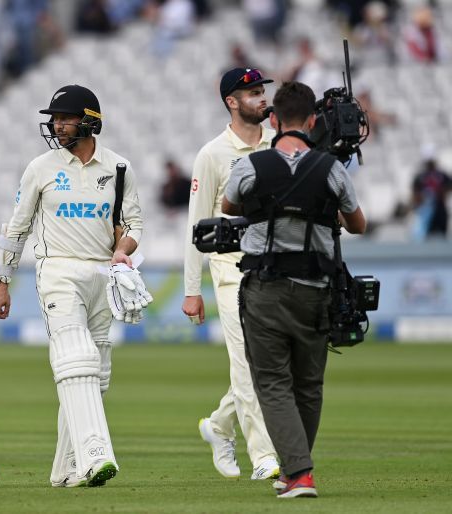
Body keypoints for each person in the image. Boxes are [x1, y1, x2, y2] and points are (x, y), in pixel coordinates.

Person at [0, 84, 150, 488]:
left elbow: (133, 224)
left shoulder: (118, 168)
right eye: (55, 119)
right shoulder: (40, 168)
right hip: (57, 271)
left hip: (103, 274)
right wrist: (3, 281)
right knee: (76, 359)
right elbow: (17, 229)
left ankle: (65, 469)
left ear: (90, 121)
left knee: (97, 374)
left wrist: (123, 251)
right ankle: (96, 455)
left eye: (65, 118)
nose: (57, 125)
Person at [222, 80, 366, 498]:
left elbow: (229, 207)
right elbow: (358, 224)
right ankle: (293, 470)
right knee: (308, 384)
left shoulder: (251, 166)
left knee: (272, 382)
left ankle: (299, 473)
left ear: (273, 118)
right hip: (316, 289)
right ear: (314, 120)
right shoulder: (331, 169)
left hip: (265, 288)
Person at [182, 67, 279, 480]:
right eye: (252, 92)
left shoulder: (283, 144)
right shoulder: (213, 154)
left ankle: (220, 426)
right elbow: (197, 224)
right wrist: (191, 290)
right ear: (231, 102)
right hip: (230, 268)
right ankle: (265, 458)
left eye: (262, 91)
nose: (261, 98)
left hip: (276, 267)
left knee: (271, 364)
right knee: (245, 363)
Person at [411, 144, 452, 240]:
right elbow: (415, 193)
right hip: (425, 212)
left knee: (441, 237)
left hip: (439, 209)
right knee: (425, 237)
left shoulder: (441, 175)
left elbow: (449, 186)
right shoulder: (420, 176)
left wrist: (440, 192)